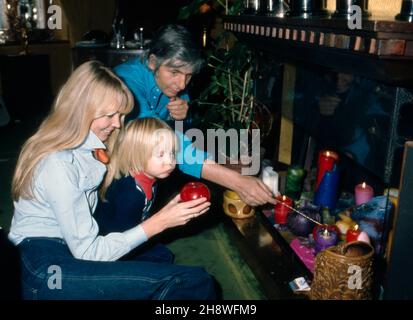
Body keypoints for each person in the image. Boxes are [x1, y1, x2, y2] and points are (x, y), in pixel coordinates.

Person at [8, 61, 215, 300]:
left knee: (160, 257)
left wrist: (178, 119)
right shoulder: (58, 163)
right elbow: (88, 251)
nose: (117, 123)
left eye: (120, 115)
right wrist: (160, 222)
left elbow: (148, 140)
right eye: (109, 115)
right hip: (46, 267)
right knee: (192, 282)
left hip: (70, 245)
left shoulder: (93, 144)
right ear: (81, 110)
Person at [115, 24, 275, 207]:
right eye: (174, 72)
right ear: (153, 62)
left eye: (188, 75)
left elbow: (184, 133)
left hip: (148, 170)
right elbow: (159, 139)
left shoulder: (176, 86)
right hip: (116, 172)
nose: (182, 84)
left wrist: (182, 118)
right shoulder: (126, 81)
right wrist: (236, 181)